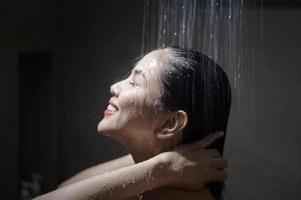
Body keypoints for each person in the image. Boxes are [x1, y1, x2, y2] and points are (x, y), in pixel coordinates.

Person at [34, 47, 230, 200]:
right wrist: (163, 165)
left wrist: (162, 168)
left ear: (170, 123)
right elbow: (64, 190)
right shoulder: (155, 185)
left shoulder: (161, 193)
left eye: (135, 82)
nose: (114, 86)